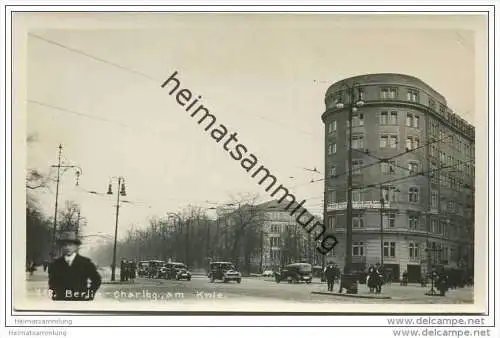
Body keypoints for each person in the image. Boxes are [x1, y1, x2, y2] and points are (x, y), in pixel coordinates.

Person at [48, 231, 101, 301]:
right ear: (62, 247)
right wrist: (55, 294)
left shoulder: (85, 263)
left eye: (70, 245)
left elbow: (96, 280)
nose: (67, 247)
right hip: (61, 301)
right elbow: (52, 282)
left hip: (80, 301)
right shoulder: (55, 264)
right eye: (65, 245)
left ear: (76, 246)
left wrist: (89, 294)